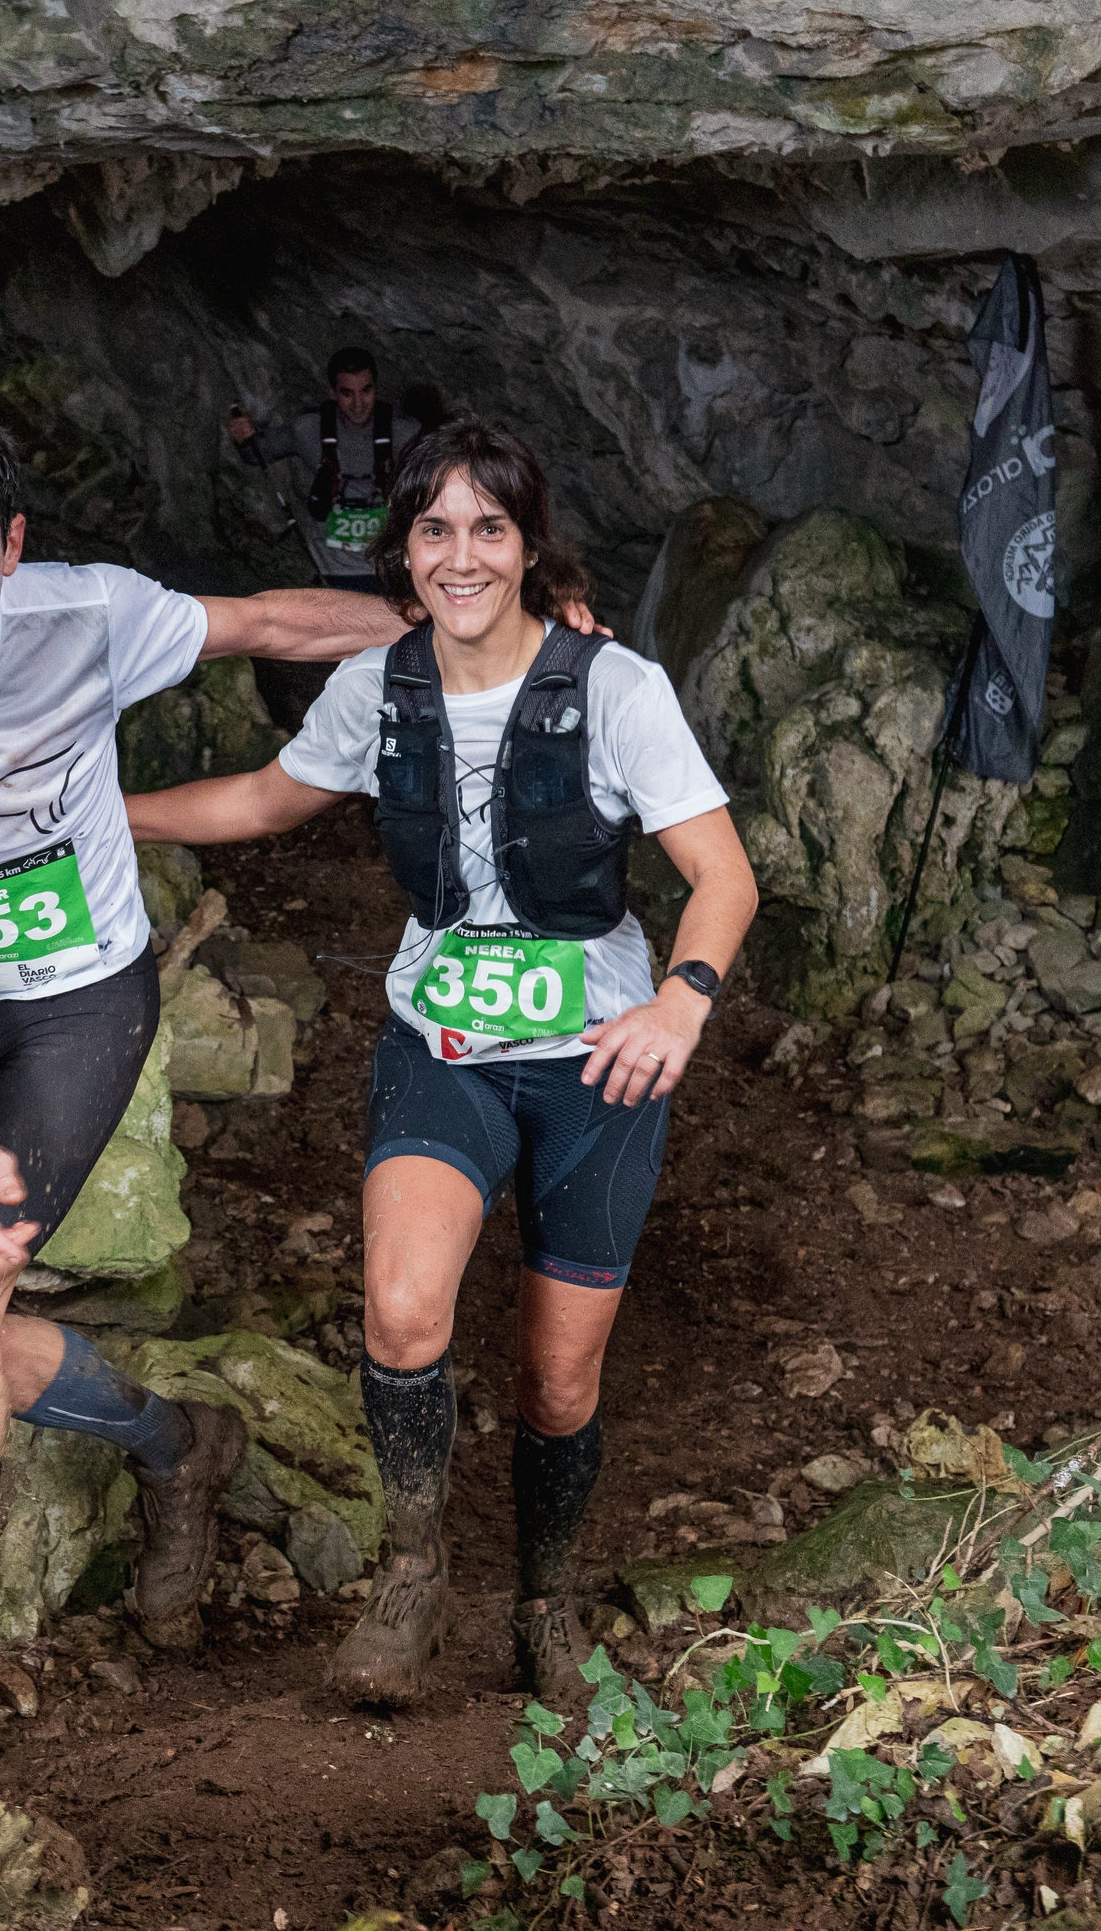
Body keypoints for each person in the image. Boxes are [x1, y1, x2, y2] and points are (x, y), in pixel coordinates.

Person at [0, 399, 431, 1778]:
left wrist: (478, 635)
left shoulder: (92, 617)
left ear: (13, 547)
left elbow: (276, 625)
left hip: (75, 995)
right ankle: (181, 1443)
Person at [126, 419, 758, 1713]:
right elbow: (259, 804)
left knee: (556, 1376)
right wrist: (101, 813)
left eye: (488, 528)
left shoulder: (615, 690)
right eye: (434, 529)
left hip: (598, 1066)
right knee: (405, 1312)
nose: (460, 555)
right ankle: (412, 1570)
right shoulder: (379, 690)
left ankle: (544, 1598)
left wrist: (681, 1002)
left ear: (528, 547)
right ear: (401, 552)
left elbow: (722, 874)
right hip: (447, 1048)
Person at [226, 346, 424, 594]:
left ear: (376, 390)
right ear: (333, 393)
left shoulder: (404, 433)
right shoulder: (307, 430)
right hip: (333, 572)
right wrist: (242, 435)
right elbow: (256, 454)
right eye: (347, 394)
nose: (358, 404)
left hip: (391, 569)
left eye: (366, 391)